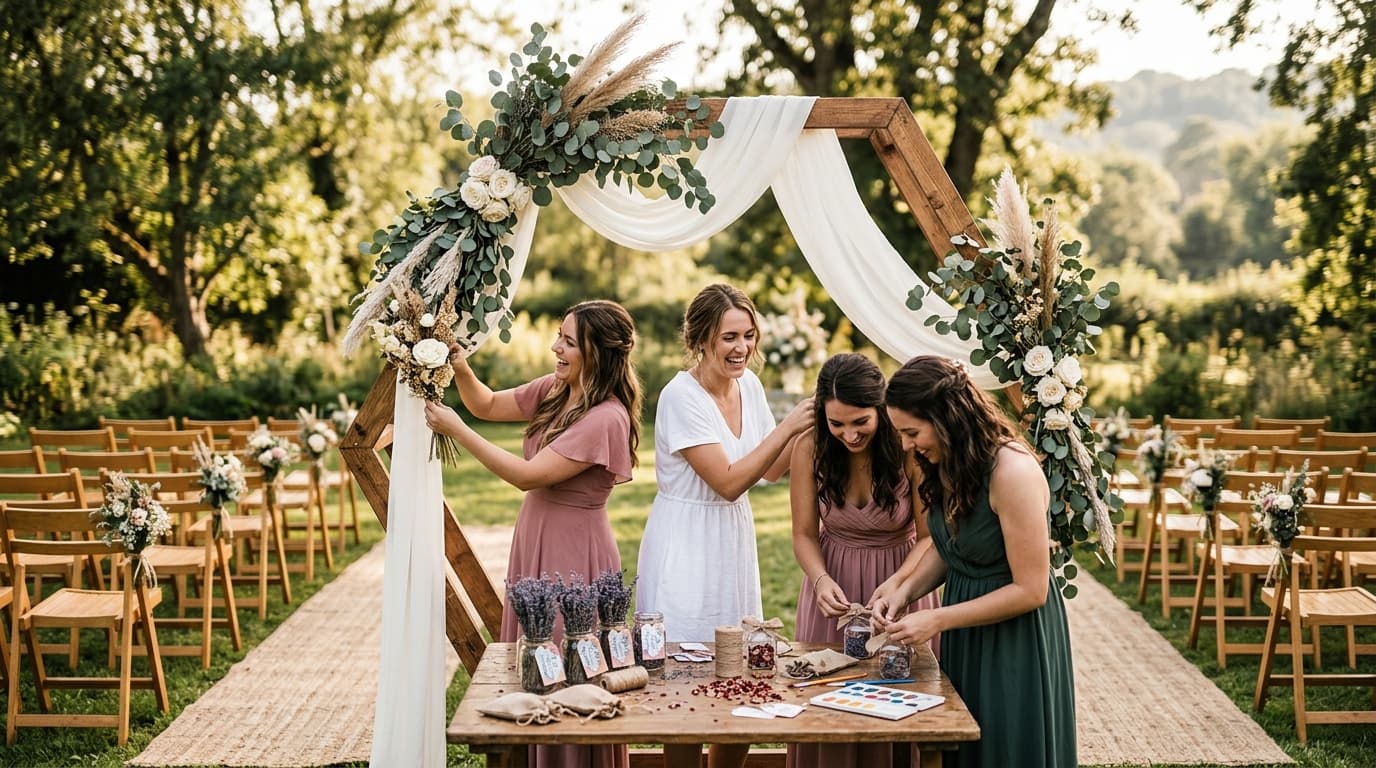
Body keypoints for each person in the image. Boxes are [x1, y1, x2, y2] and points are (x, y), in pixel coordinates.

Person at [424, 299, 640, 768]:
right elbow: (485, 403)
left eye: (567, 341)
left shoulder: (606, 417)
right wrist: (460, 365)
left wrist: (457, 431)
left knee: (567, 660)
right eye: (558, 336)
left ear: (597, 352)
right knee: (535, 654)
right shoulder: (557, 390)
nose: (554, 348)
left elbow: (528, 475)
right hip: (535, 536)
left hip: (574, 549)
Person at [634, 283, 813, 768]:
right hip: (687, 543)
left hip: (732, 544)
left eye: (749, 336)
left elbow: (770, 468)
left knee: (745, 676)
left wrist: (828, 430)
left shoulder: (748, 386)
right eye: (729, 337)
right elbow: (728, 482)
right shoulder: (680, 396)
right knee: (686, 685)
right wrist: (790, 424)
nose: (741, 348)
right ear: (700, 339)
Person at [870, 355, 1076, 768]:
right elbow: (954, 550)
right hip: (968, 625)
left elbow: (1031, 590)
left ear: (946, 418)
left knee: (1006, 747)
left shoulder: (1011, 472)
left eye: (912, 432)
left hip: (1014, 636)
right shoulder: (944, 462)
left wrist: (938, 620)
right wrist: (904, 591)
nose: (907, 446)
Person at [787, 353, 940, 768]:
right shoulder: (809, 448)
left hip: (903, 582)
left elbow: (929, 539)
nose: (849, 435)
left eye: (861, 423)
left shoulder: (908, 449)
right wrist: (819, 580)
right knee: (826, 703)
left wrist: (899, 585)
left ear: (881, 410)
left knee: (898, 701)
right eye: (836, 424)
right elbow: (803, 532)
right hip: (831, 590)